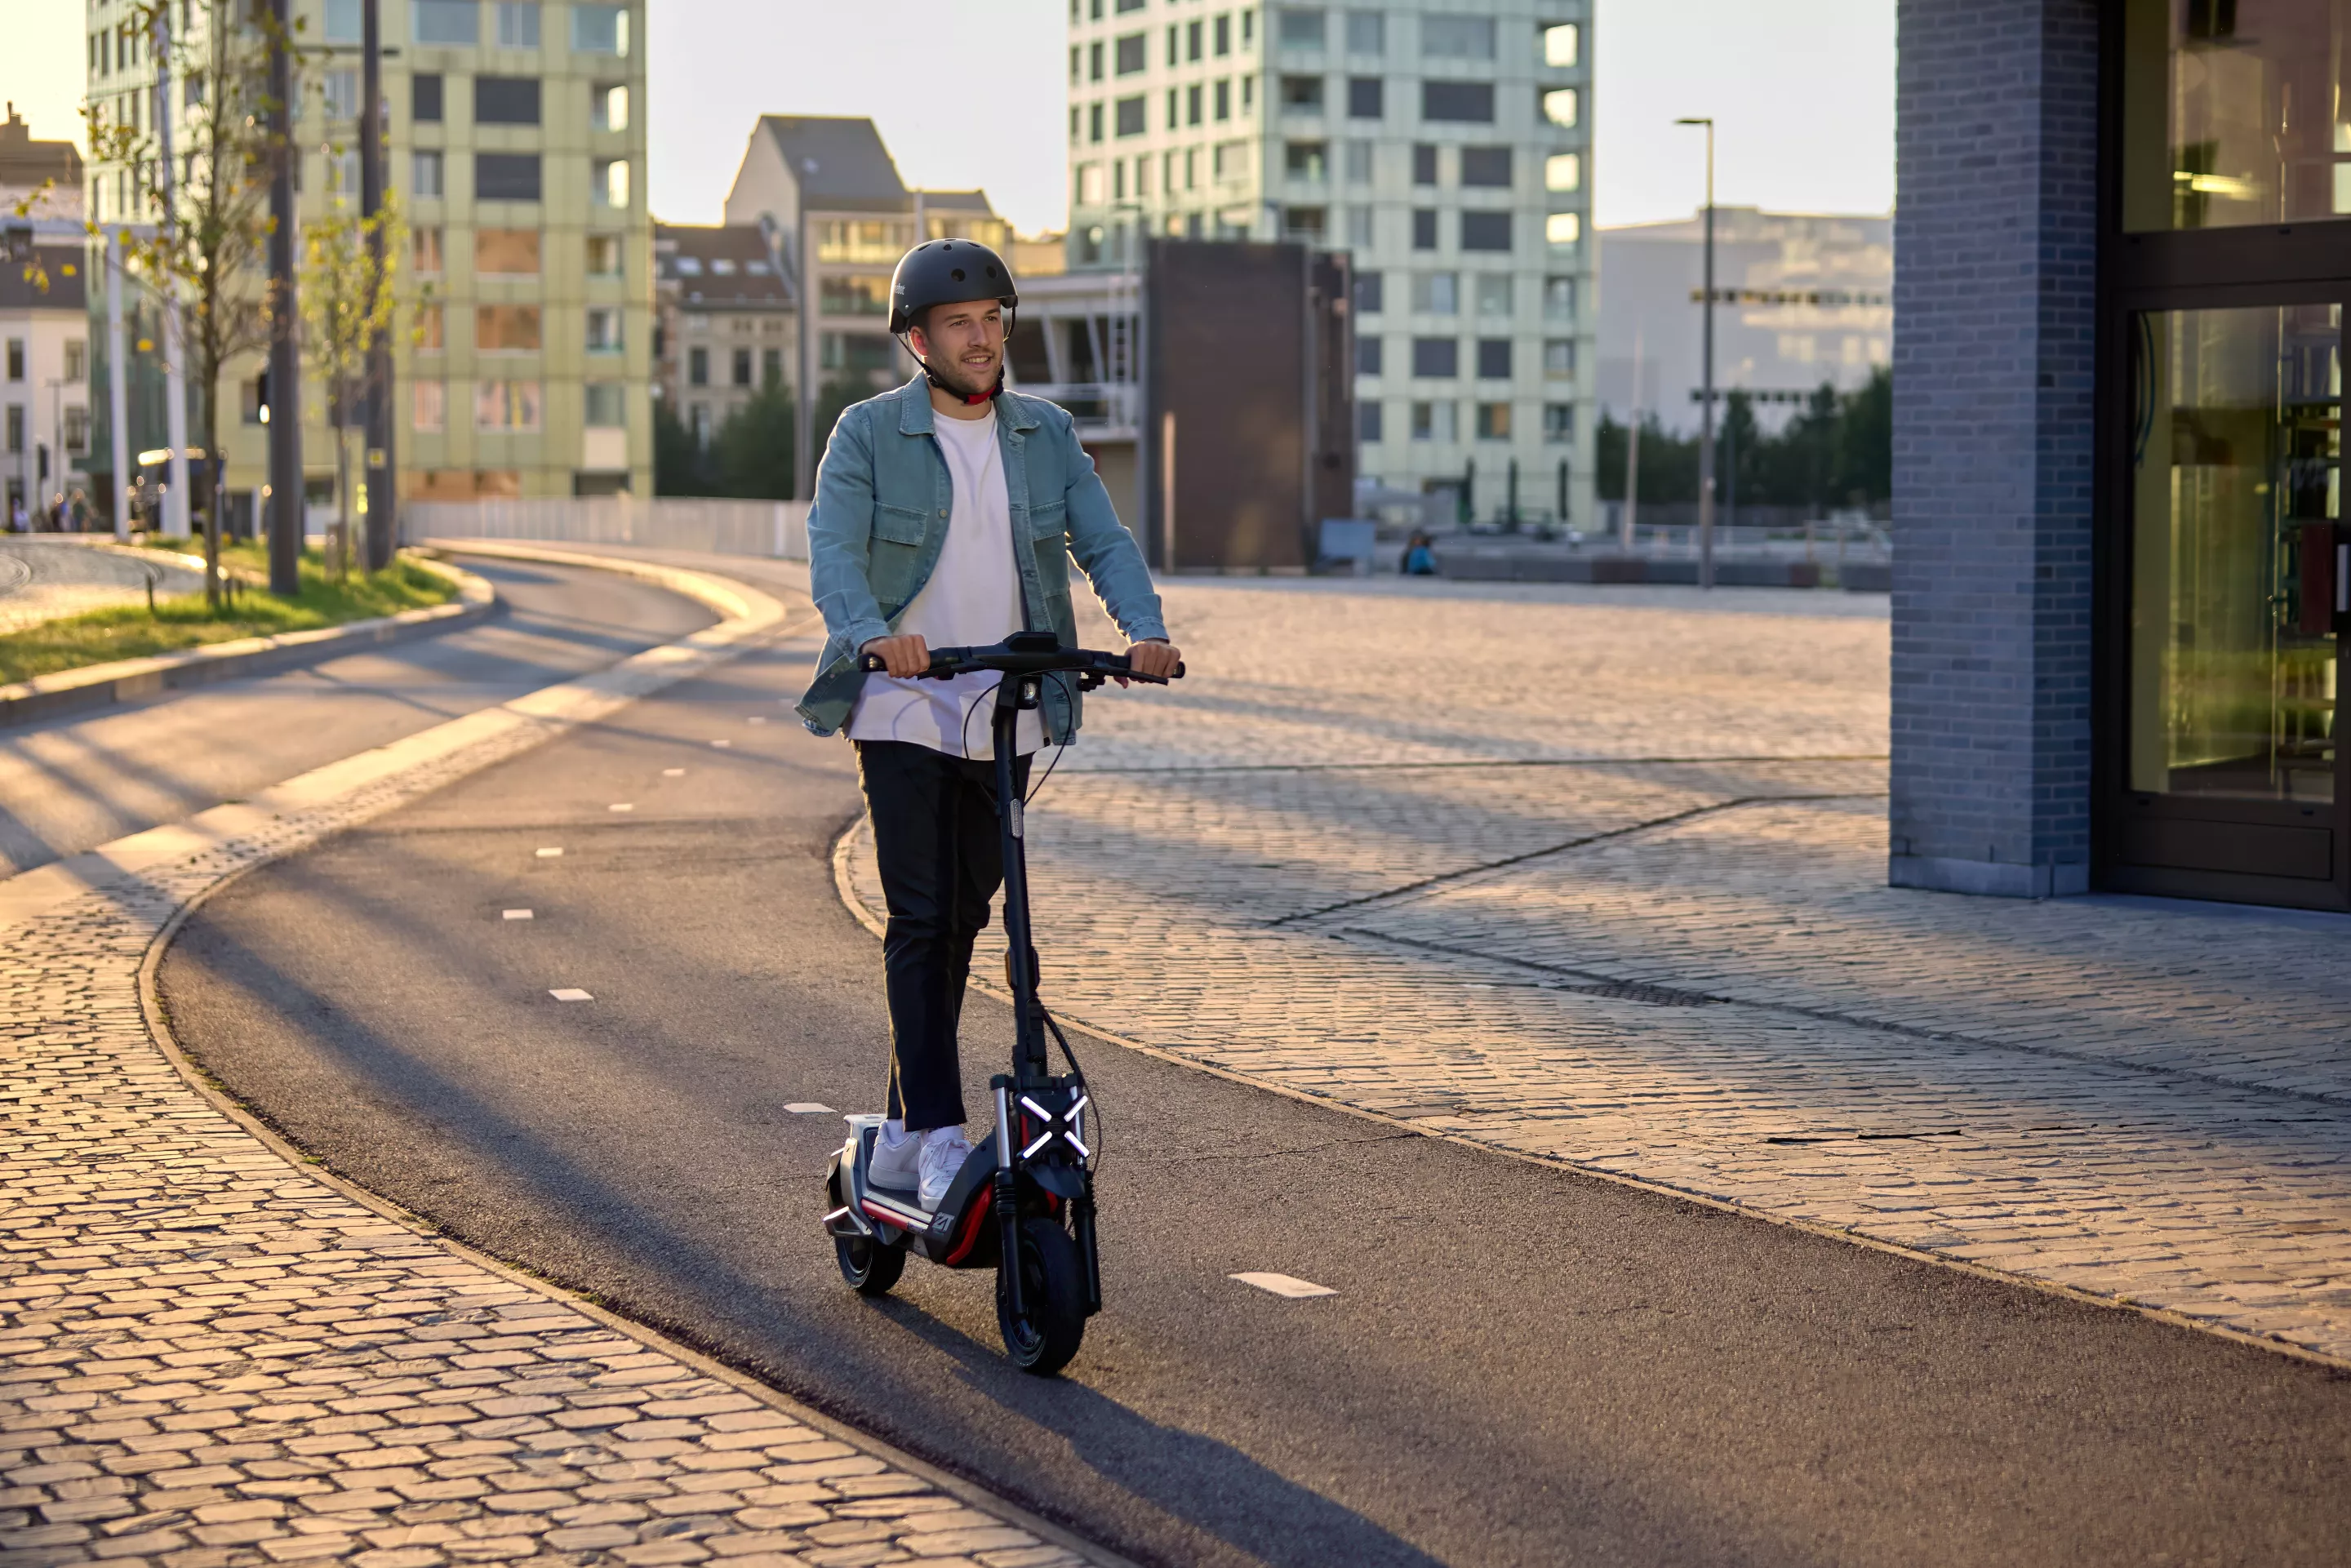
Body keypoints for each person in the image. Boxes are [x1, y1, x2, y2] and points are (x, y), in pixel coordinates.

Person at [797, 238, 1180, 1210]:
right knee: (922, 916)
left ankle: (898, 1126)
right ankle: (935, 1133)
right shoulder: (867, 433)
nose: (981, 339)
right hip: (903, 704)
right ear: (919, 341)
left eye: (992, 321)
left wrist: (1143, 632)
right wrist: (873, 636)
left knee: (967, 919)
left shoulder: (1046, 433)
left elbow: (1103, 541)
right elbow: (834, 550)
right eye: (959, 324)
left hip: (1004, 711)